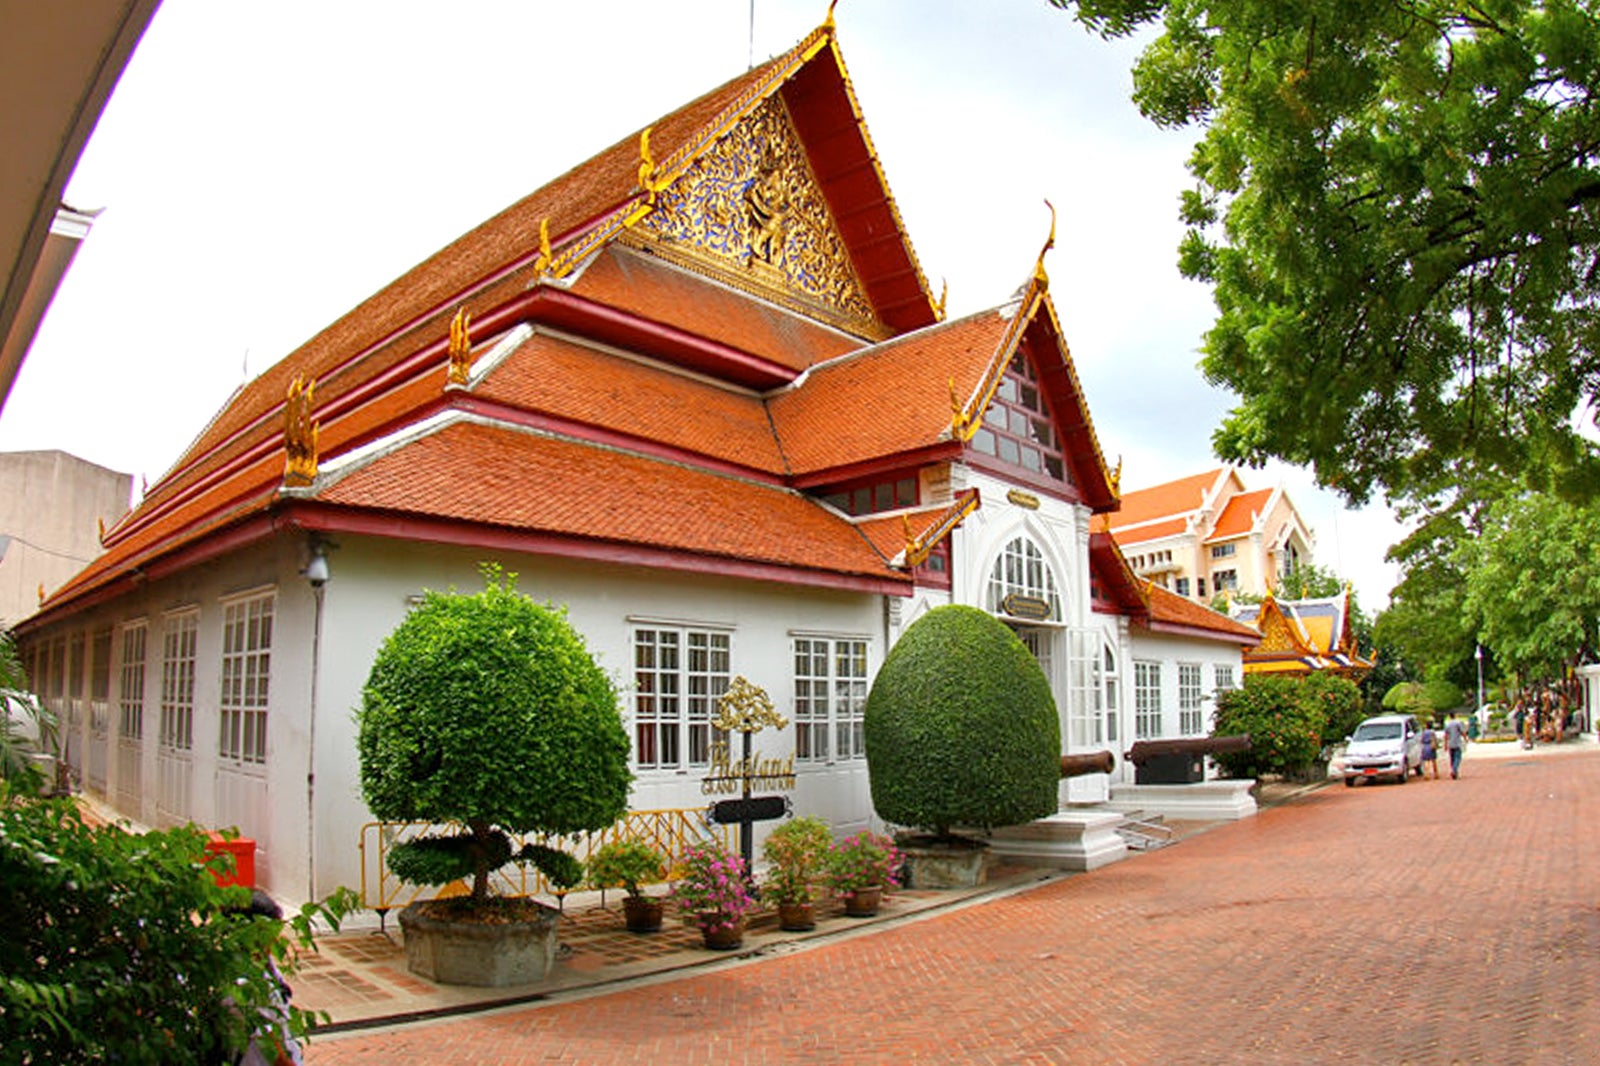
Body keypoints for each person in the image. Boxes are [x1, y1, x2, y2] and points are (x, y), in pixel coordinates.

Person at [1443, 715, 1468, 779]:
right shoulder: (1458, 723)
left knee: (1452, 758)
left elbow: (1446, 735)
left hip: (1450, 743)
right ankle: (1454, 770)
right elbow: (1462, 732)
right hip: (1457, 743)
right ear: (1455, 716)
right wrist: (1465, 738)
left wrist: (1445, 744)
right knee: (1457, 758)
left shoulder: (1447, 724)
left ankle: (1454, 771)